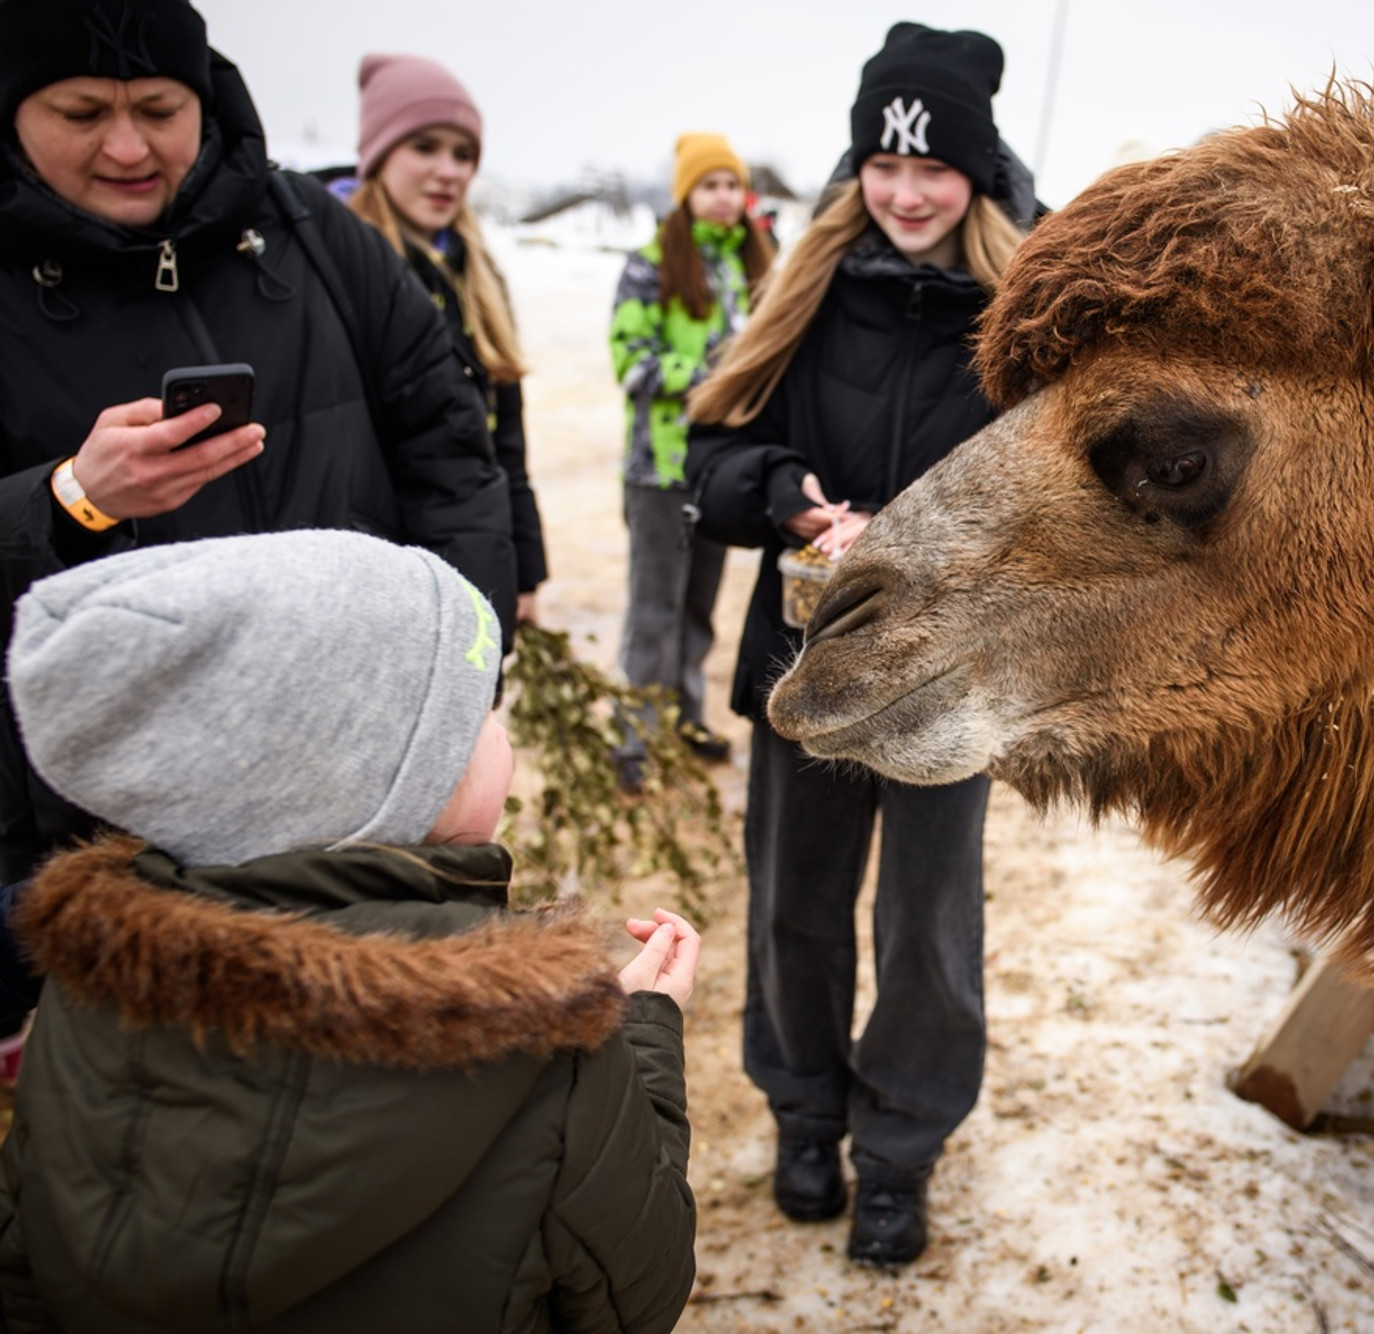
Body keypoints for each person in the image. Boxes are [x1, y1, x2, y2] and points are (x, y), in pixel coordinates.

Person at [0, 529, 700, 1330]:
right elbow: (636, 1295)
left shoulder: (81, 1001)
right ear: (386, 784)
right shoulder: (535, 1041)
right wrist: (641, 1032)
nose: (502, 738)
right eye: (474, 717)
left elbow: (24, 1279)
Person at [0, 0, 516, 892]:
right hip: (110, 836)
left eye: (159, 112)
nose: (128, 149)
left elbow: (451, 448)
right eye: (82, 114)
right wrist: (71, 498)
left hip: (366, 786)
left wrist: (461, 665)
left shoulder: (311, 232)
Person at [684, 21, 1032, 1267]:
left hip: (950, 684)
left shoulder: (1027, 318)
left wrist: (941, 539)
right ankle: (804, 1111)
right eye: (882, 167)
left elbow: (1074, 503)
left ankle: (897, 1151)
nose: (903, 193)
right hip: (802, 671)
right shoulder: (807, 291)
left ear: (976, 175)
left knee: (926, 924)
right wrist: (785, 493)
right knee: (795, 906)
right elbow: (708, 459)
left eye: (931, 168)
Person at [345, 53, 548, 629]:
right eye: (425, 147)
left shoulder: (479, 277)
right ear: (379, 154)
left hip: (468, 553)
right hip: (378, 566)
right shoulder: (341, 273)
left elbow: (505, 440)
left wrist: (523, 570)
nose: (449, 171)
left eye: (463, 154)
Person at [610, 131, 773, 770]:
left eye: (733, 184)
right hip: (659, 472)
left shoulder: (750, 264)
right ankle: (636, 739)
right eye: (710, 185)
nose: (725, 197)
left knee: (699, 610)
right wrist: (714, 377)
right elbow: (631, 363)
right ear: (685, 195)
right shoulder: (649, 263)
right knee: (655, 610)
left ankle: (683, 720)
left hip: (717, 471)